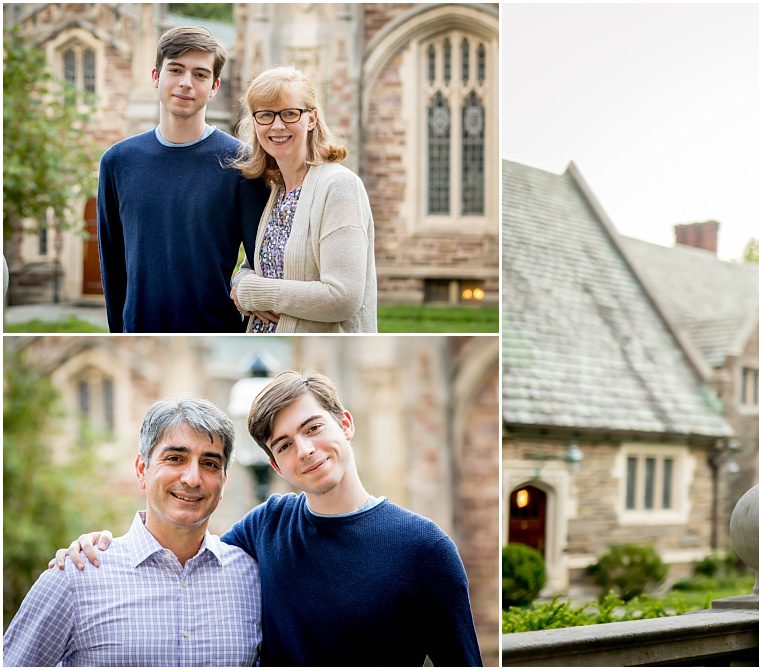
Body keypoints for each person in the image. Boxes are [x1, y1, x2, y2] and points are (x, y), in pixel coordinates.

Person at [55, 372, 480, 666]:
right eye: (284, 445)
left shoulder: (424, 548)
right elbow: (186, 553)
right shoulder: (267, 527)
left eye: (313, 428)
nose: (306, 450)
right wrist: (102, 545)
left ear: (345, 424)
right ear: (276, 466)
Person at [5, 398, 260, 666]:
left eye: (209, 464)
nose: (192, 479)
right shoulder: (76, 577)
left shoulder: (252, 577)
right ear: (142, 470)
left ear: (223, 482)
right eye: (175, 458)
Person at [97, 27, 269, 333]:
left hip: (218, 326)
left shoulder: (241, 164)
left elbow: (261, 261)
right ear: (155, 76)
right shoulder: (118, 162)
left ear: (215, 86)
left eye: (200, 75)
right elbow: (112, 265)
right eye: (175, 70)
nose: (186, 83)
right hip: (137, 330)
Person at [228, 66, 377, 332]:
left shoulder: (340, 187)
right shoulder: (274, 189)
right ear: (254, 122)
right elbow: (251, 270)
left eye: (289, 113)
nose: (277, 125)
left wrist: (253, 293)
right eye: (265, 115)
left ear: (311, 119)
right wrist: (241, 283)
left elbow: (342, 298)